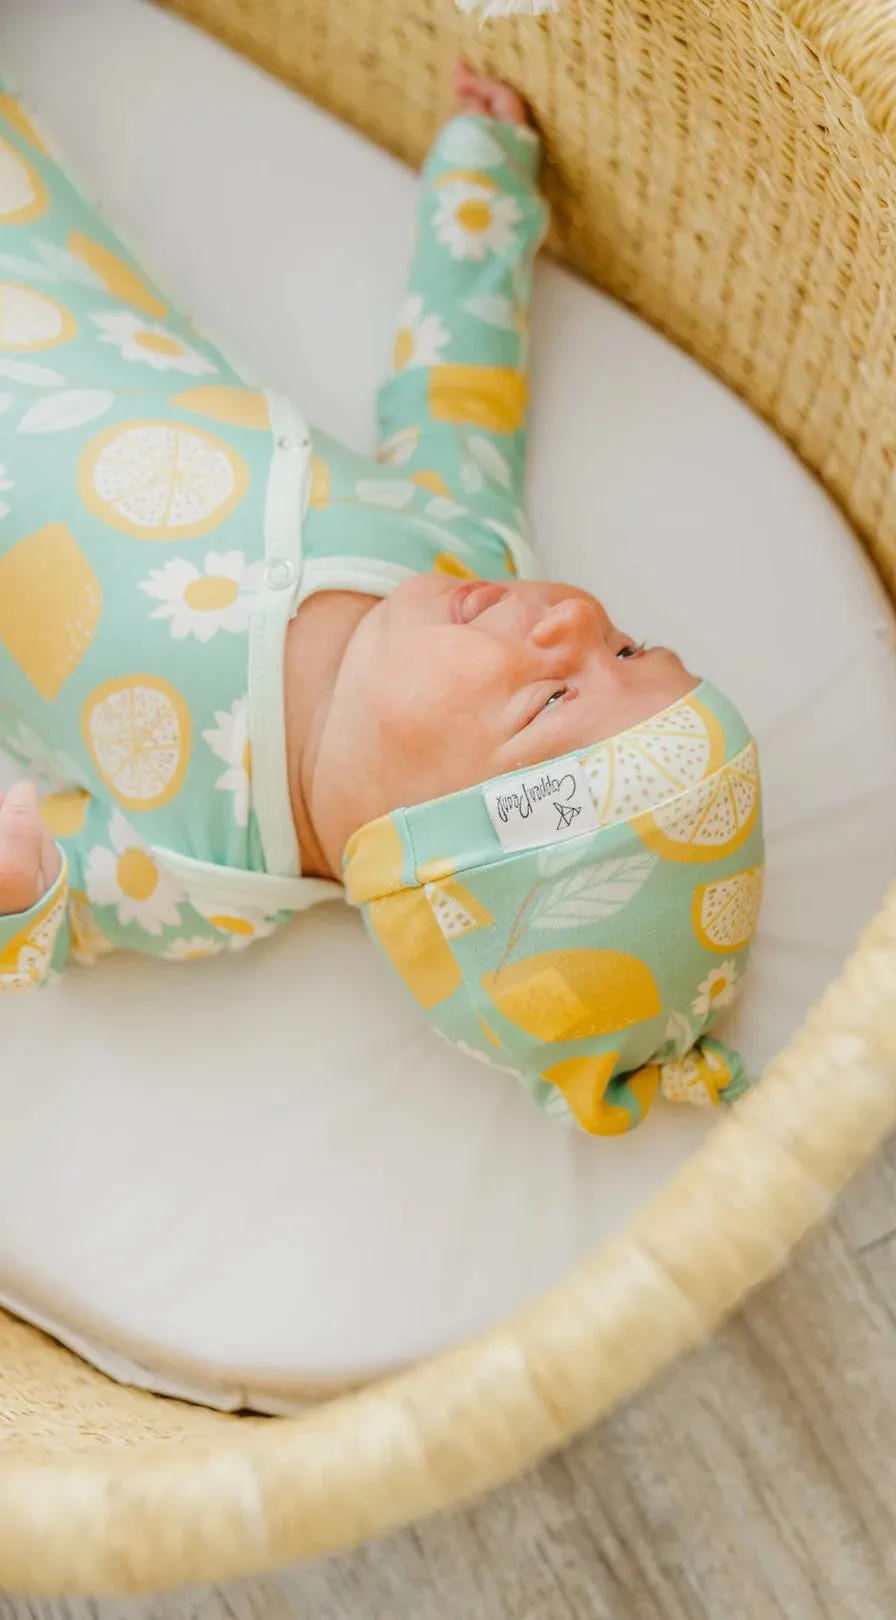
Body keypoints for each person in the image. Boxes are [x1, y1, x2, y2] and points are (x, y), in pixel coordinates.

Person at [0, 65, 764, 1134]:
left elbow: (51, 897)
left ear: (427, 853)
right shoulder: (456, 543)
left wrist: (23, 880)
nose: (573, 619)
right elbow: (457, 381)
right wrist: (483, 197)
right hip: (41, 279)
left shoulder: (212, 870)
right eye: (629, 646)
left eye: (552, 700)